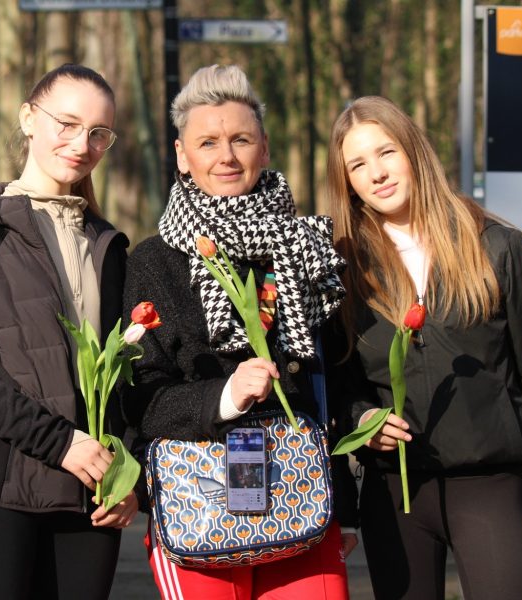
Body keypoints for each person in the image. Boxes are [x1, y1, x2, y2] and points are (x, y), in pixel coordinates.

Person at [123, 64, 358, 600]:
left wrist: (344, 506)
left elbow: (333, 381)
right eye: (207, 142)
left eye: (241, 140)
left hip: (303, 501)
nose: (226, 156)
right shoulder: (153, 263)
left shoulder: (306, 247)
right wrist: (225, 396)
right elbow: (139, 400)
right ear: (182, 155)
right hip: (198, 505)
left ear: (265, 148)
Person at [325, 95, 522, 599]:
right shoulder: (341, 268)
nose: (376, 173)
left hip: (491, 487)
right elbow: (338, 385)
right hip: (396, 493)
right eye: (357, 165)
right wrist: (363, 421)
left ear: (414, 150)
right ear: (346, 181)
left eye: (386, 152)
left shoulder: (499, 248)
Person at [0, 64, 136, 600]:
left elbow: (127, 383)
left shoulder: (108, 247)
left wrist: (132, 480)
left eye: (98, 133)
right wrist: (59, 442)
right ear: (28, 118)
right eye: (67, 123)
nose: (81, 145)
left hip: (91, 504)